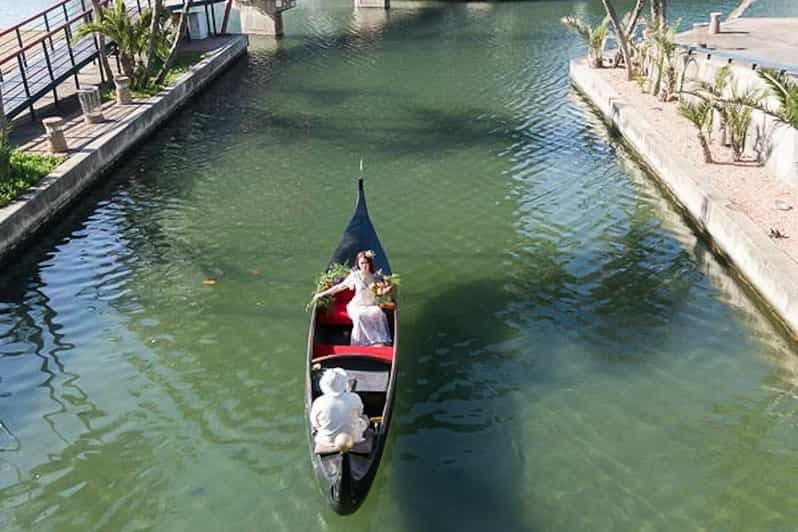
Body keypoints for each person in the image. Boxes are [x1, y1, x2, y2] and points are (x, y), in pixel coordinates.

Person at [312, 250, 392, 346]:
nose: (365, 265)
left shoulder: (376, 277)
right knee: (360, 316)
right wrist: (322, 294)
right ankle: (361, 343)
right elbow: (339, 287)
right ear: (358, 264)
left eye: (366, 262)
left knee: (378, 313)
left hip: (370, 305)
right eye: (362, 263)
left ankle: (378, 341)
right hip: (357, 306)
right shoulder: (355, 276)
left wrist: (386, 290)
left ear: (370, 263)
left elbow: (381, 292)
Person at [310, 368, 369, 452]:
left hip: (327, 441)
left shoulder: (319, 402)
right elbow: (360, 413)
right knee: (365, 419)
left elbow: (315, 423)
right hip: (355, 438)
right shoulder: (355, 397)